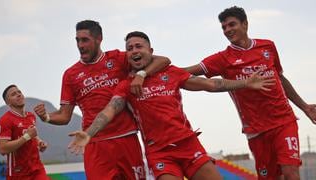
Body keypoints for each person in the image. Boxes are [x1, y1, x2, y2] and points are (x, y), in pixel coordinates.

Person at [67, 31, 275, 180]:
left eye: (139, 46)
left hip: (188, 144)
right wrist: (90, 132)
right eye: (129, 49)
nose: (134, 51)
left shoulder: (171, 72)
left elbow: (211, 84)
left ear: (151, 51)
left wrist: (246, 82)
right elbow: (110, 109)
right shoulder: (125, 86)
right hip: (159, 153)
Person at [184, 6, 316, 180]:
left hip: (284, 121)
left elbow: (280, 79)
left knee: (291, 172)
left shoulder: (267, 46)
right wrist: (150, 73)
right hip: (256, 130)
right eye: (224, 27)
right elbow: (185, 72)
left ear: (245, 24)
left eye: (232, 25)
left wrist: (305, 106)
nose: (228, 30)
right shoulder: (222, 58)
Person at [33, 20, 170, 180]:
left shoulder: (118, 58)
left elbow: (163, 60)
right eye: (77, 40)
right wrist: (47, 117)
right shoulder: (71, 75)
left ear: (99, 39)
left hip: (126, 139)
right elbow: (64, 116)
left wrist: (141, 74)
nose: (80, 45)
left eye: (85, 40)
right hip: (94, 143)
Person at [0, 84, 49, 180]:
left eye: (19, 92)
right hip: (18, 173)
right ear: (8, 102)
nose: (18, 94)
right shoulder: (5, 120)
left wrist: (40, 142)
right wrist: (26, 137)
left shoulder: (31, 116)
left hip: (37, 169)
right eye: (13, 94)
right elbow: (3, 149)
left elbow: (32, 135)